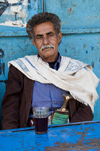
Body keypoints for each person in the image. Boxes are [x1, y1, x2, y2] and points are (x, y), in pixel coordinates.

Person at [2, 12, 99, 130]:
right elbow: (10, 110)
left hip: (69, 132)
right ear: (34, 42)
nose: (46, 42)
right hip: (32, 132)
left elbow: (86, 107)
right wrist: (13, 138)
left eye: (50, 35)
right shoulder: (21, 69)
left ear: (59, 37)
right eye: (39, 37)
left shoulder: (77, 70)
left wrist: (72, 133)